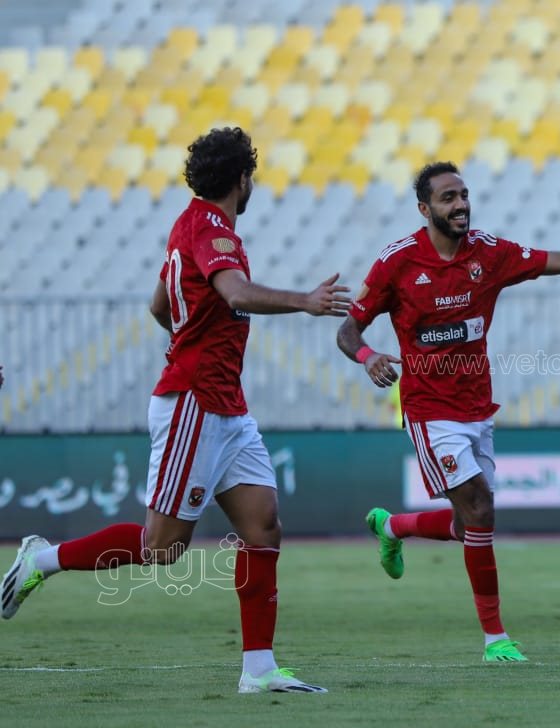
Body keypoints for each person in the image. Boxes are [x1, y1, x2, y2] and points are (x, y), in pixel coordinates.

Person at [1, 127, 350, 693]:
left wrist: (187, 336)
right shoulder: (211, 228)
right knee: (160, 547)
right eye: (251, 175)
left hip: (226, 406)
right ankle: (42, 560)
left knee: (263, 526)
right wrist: (304, 301)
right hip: (195, 403)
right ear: (242, 178)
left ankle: (259, 669)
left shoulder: (192, 225)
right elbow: (236, 293)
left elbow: (159, 304)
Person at [337, 161, 560, 663]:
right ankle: (495, 638)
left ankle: (392, 527)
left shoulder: (489, 252)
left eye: (464, 195)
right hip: (429, 410)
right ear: (424, 209)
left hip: (477, 407)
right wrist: (369, 357)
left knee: (469, 525)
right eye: (448, 198)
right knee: (481, 509)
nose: (461, 204)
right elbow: (348, 330)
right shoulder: (397, 263)